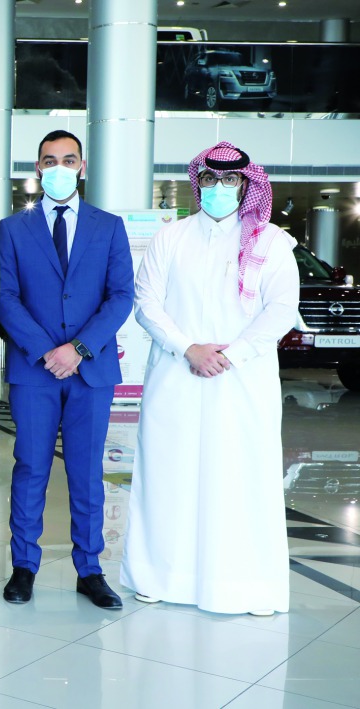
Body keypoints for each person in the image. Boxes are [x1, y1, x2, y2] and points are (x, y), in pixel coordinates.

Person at [122, 142, 298, 615]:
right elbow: (147, 304)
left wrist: (232, 355)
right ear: (198, 182)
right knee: (168, 476)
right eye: (211, 180)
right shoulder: (171, 237)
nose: (220, 189)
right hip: (177, 375)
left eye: (231, 180)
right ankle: (160, 576)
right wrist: (190, 349)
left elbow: (281, 309)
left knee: (239, 478)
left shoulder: (271, 242)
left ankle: (246, 585)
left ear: (247, 184)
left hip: (243, 381)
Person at [0, 130, 134, 610]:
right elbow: (5, 298)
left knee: (86, 472)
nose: (58, 167)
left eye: (67, 159)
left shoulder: (108, 226)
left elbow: (121, 297)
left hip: (90, 370)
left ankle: (90, 571)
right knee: (31, 467)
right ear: (37, 167)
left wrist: (77, 348)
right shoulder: (13, 228)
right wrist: (46, 350)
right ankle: (23, 567)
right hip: (34, 371)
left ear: (83, 165)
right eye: (49, 159)